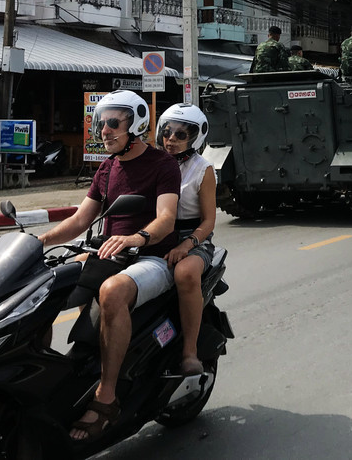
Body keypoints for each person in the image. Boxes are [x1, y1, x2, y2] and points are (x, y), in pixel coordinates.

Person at [37, 90, 181, 441]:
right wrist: (38, 242)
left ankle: (107, 396)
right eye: (102, 123)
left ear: (138, 124)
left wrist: (136, 238)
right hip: (107, 254)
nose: (105, 130)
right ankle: (40, 376)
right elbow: (79, 221)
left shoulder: (162, 164)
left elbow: (166, 219)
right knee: (39, 289)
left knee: (112, 292)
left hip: (150, 258)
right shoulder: (107, 167)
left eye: (114, 123)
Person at [157, 103, 217, 376]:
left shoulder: (203, 170)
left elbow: (209, 221)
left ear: (196, 137)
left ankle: (189, 352)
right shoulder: (153, 162)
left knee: (186, 273)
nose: (171, 139)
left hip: (192, 237)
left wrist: (186, 244)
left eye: (181, 134)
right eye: (167, 132)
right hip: (158, 234)